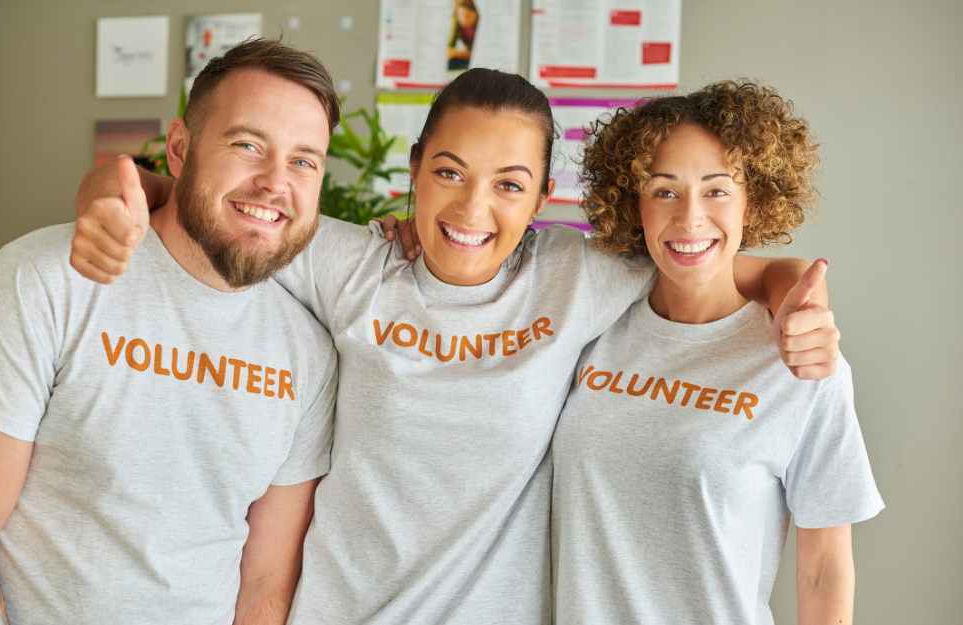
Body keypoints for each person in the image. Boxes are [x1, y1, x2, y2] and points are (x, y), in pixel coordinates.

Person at [69, 67, 840, 625]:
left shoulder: (576, 276)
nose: (473, 206)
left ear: (543, 201)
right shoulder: (355, 267)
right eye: (449, 171)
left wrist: (792, 281)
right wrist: (108, 180)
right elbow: (221, 205)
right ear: (414, 173)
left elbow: (705, 254)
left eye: (509, 184)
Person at [0, 39, 340, 625]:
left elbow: (265, 583)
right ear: (181, 149)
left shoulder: (309, 352)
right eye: (248, 145)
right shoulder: (41, 280)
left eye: (303, 161)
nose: (275, 182)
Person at [551, 81, 883, 625]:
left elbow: (824, 566)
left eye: (717, 190)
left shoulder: (803, 359)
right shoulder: (590, 326)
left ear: (755, 199)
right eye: (663, 191)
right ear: (633, 203)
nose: (689, 218)